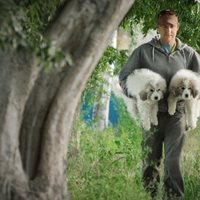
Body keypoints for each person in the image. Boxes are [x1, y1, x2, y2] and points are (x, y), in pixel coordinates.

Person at [119, 9, 200, 199]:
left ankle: (173, 197)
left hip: (177, 116)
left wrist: (192, 108)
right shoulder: (143, 51)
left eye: (172, 25)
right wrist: (136, 94)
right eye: (164, 25)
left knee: (173, 162)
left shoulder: (189, 54)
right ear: (158, 27)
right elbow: (124, 77)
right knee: (150, 161)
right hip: (151, 114)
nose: (168, 30)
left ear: (177, 27)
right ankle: (150, 196)